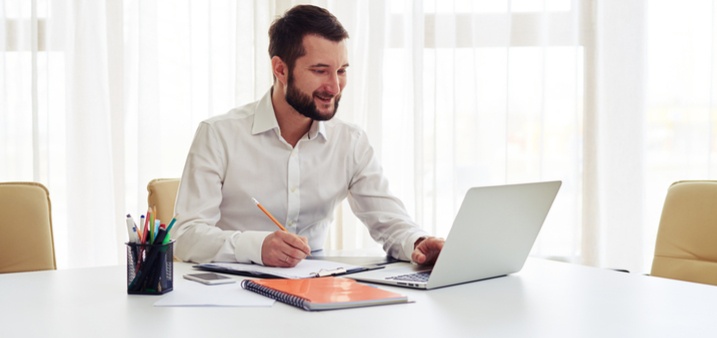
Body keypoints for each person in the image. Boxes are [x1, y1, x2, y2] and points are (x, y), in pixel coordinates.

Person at [173, 4, 444, 267]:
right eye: (320, 71)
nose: (335, 87)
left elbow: (390, 222)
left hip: (315, 291)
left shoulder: (350, 142)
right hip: (231, 292)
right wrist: (257, 247)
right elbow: (185, 237)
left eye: (341, 71)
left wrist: (417, 243)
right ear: (280, 69)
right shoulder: (219, 135)